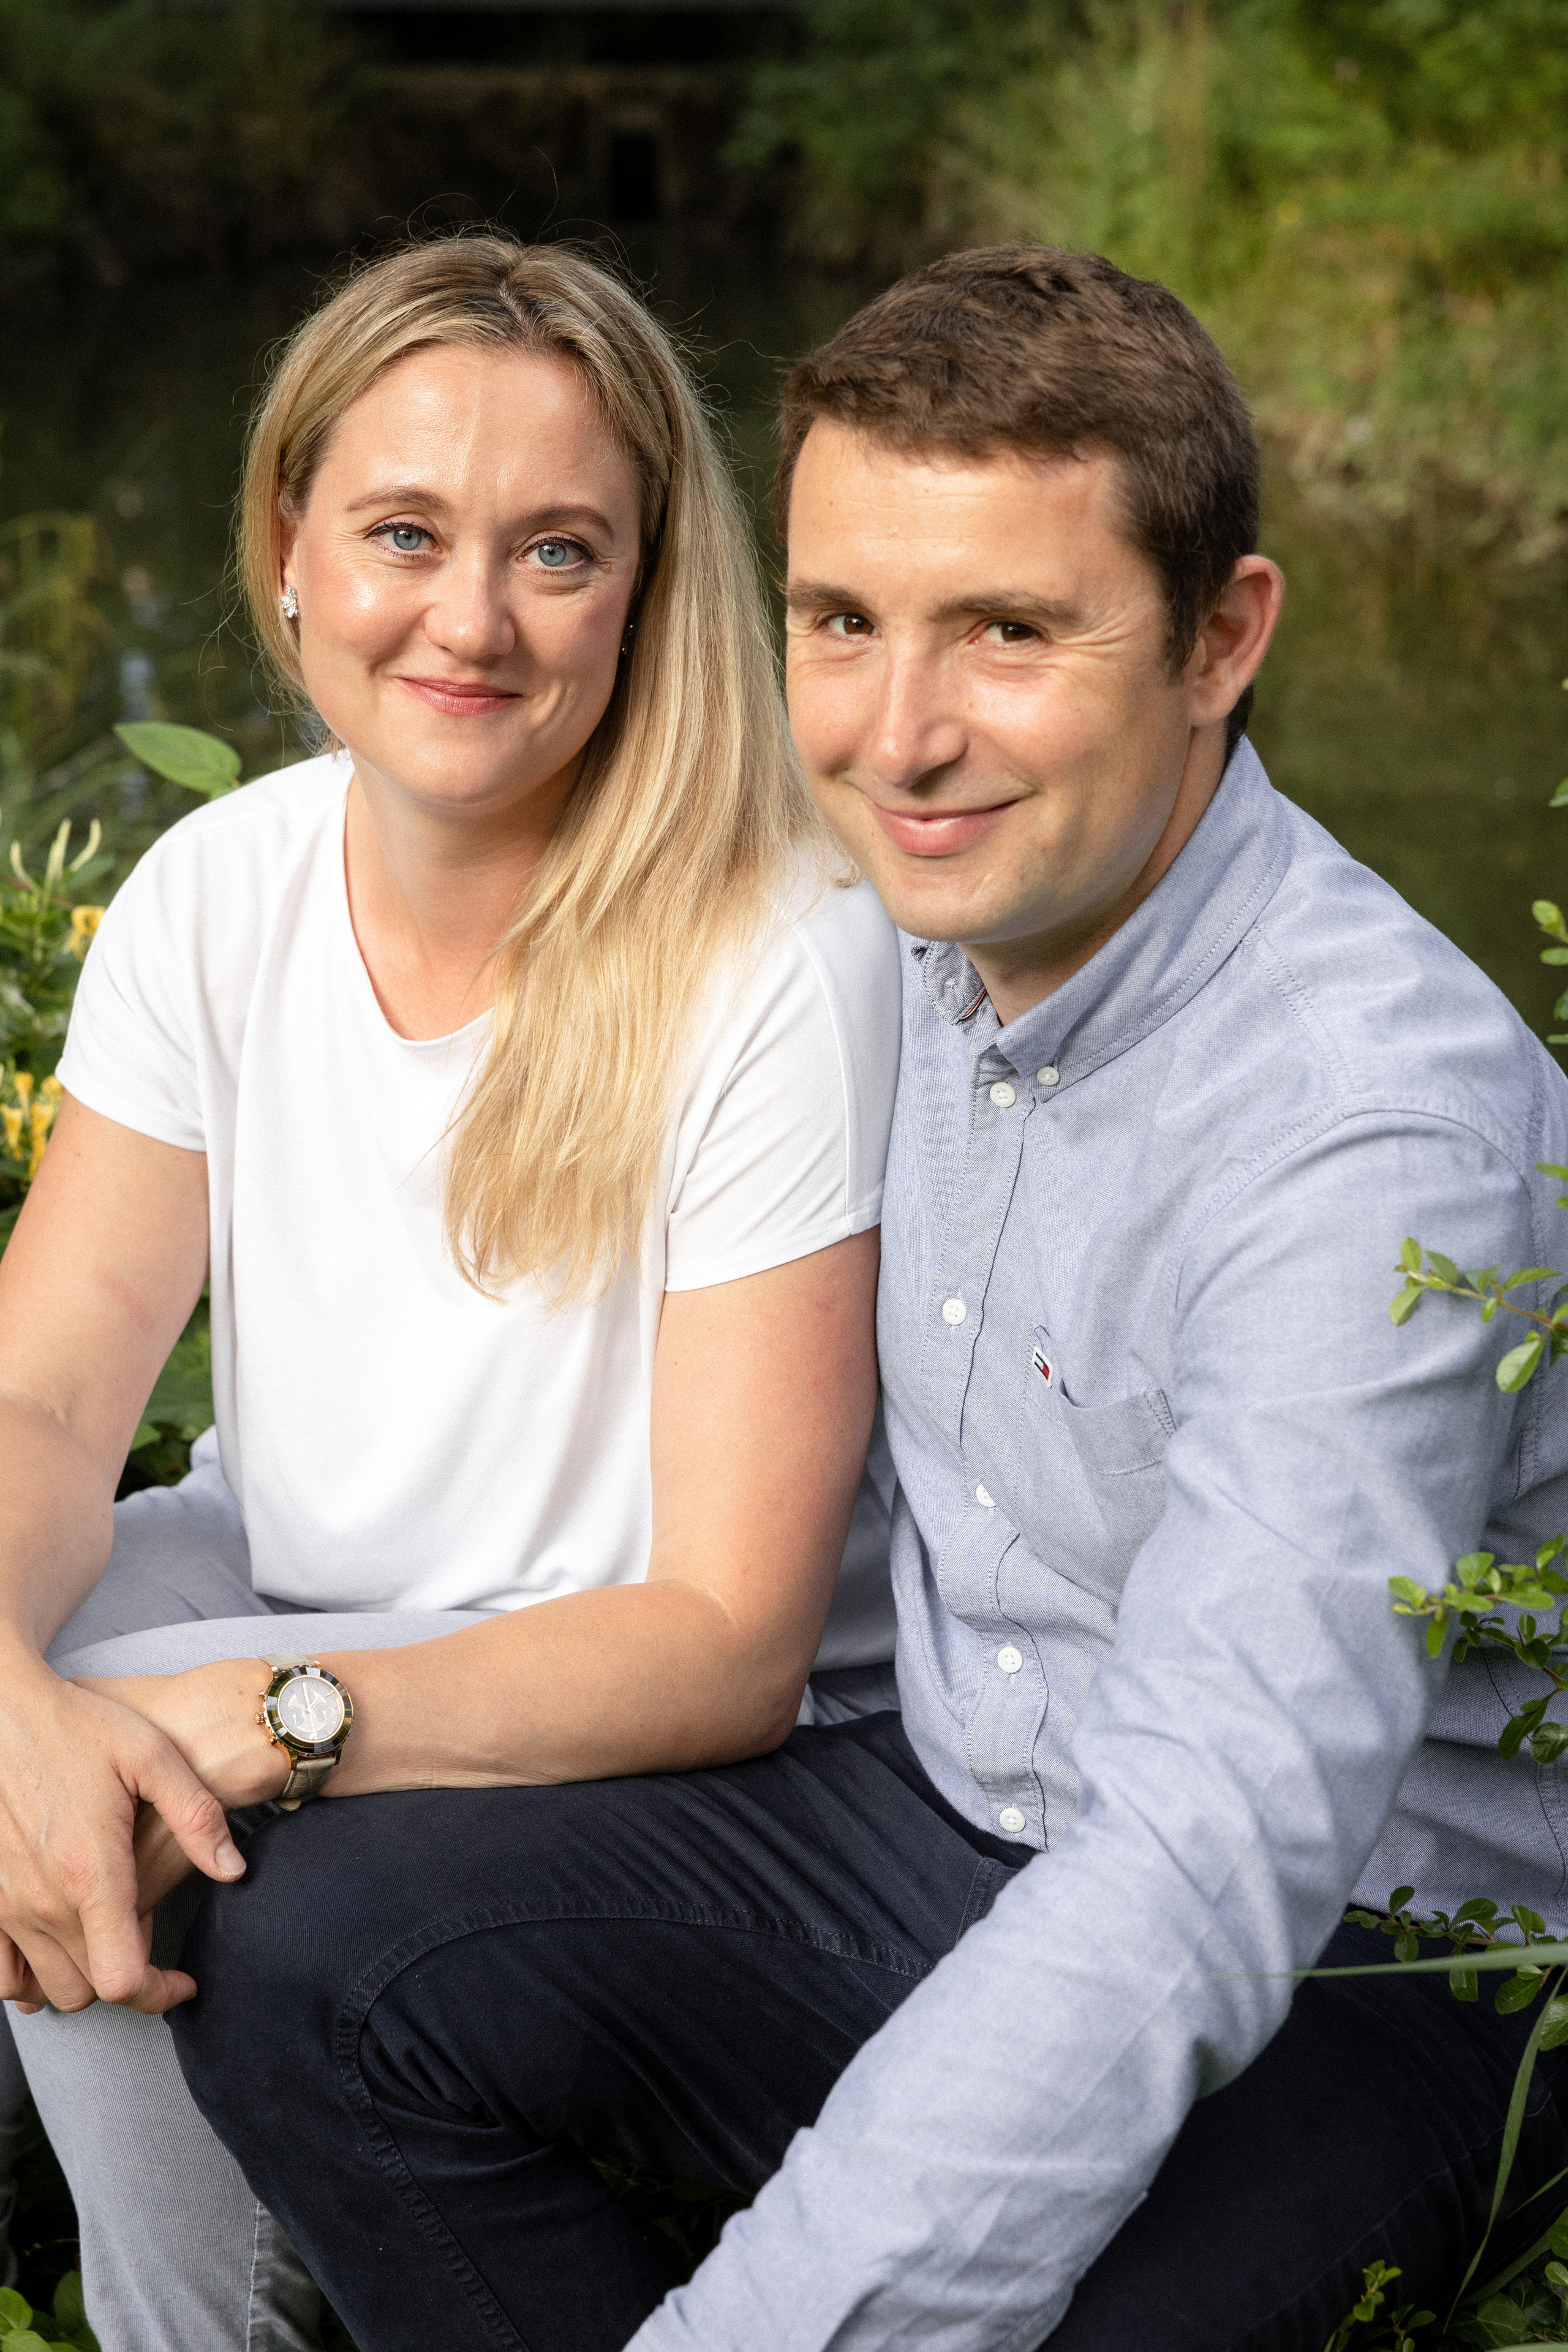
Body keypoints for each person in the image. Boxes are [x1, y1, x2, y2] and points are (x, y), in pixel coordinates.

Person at [173, 244, 1568, 2349]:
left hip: (1373, 1951)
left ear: (1222, 639)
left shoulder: (1363, 1131)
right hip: (947, 1808)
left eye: (1009, 631)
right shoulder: (895, 932)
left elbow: (1207, 1852)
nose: (900, 740)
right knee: (314, 1950)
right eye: (839, 621)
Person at [0, 233, 904, 2352]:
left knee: (121, 1736)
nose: (471, 620)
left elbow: (729, 1639)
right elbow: (46, 1397)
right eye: (404, 532)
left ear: (649, 590)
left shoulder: (786, 952)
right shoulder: (216, 891)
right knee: (67, 1657)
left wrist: (200, 1721)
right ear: (290, 552)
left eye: (558, 551)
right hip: (300, 1594)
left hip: (646, 1714)